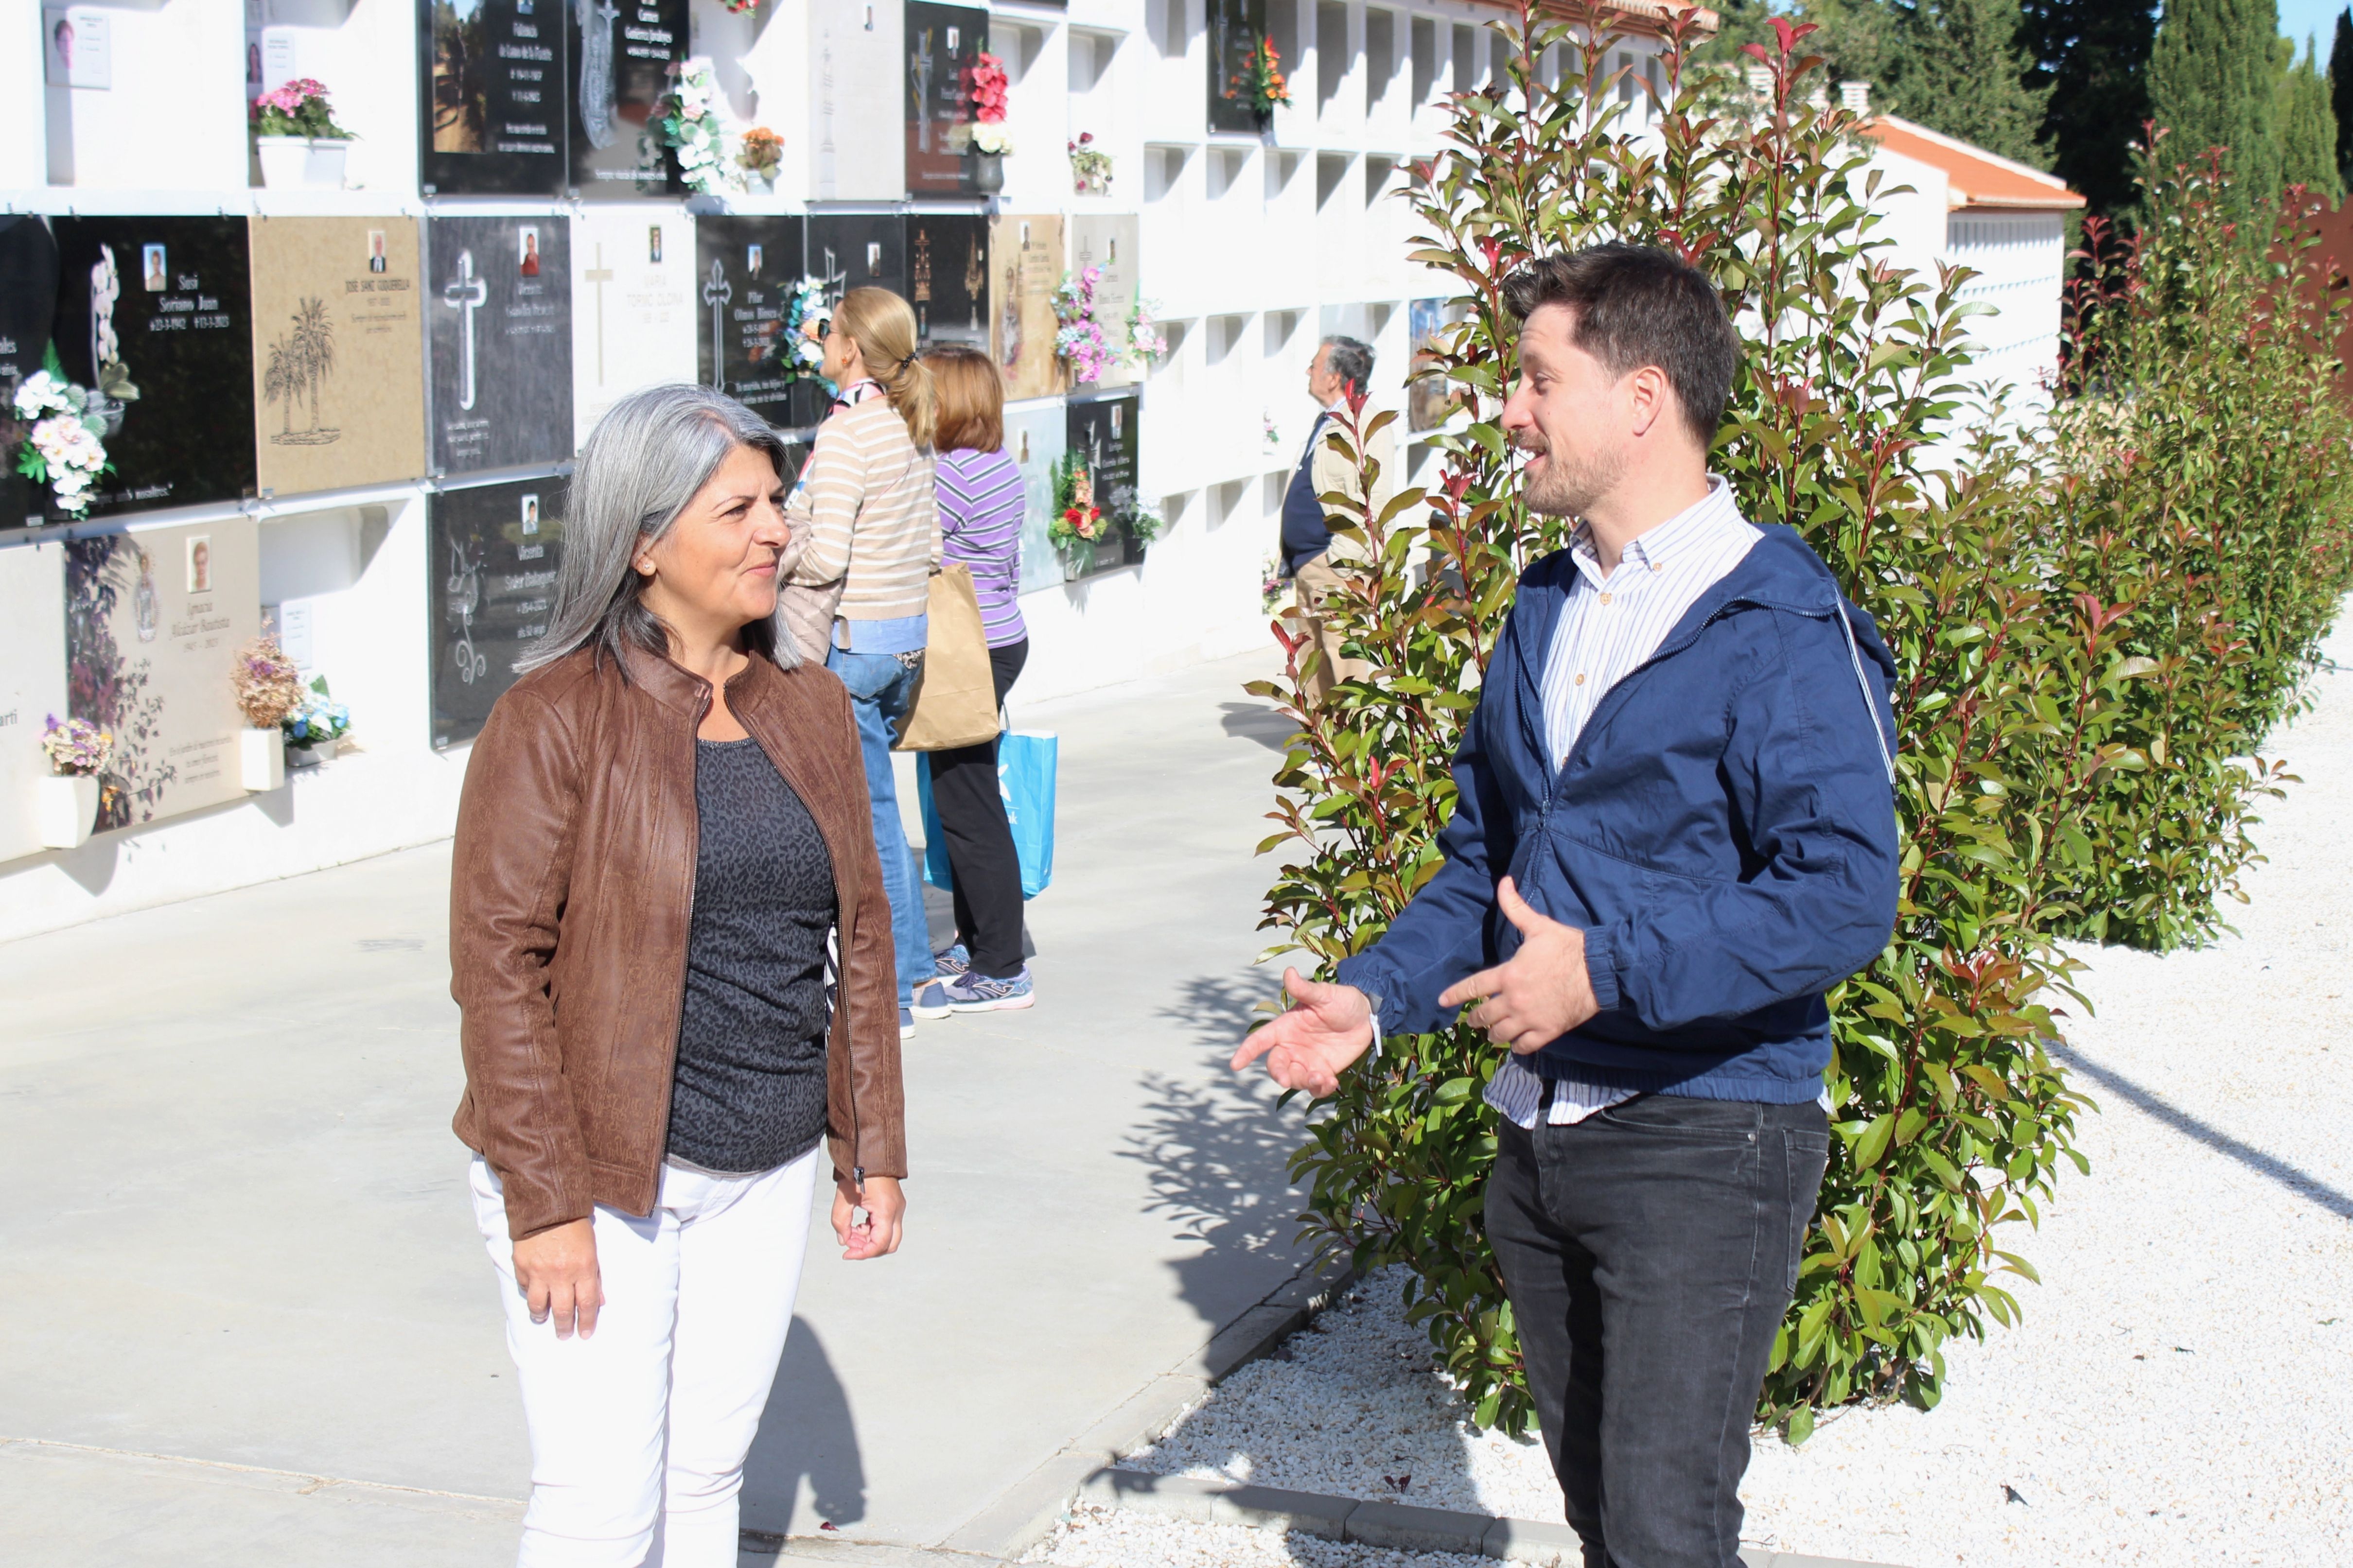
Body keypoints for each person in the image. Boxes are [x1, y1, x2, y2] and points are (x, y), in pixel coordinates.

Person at [1232, 244, 1900, 1568]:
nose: (1510, 409)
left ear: (1642, 398)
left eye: (1539, 379)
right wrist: (1373, 994)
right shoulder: (1544, 608)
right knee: (1611, 1523)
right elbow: (1489, 871)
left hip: (1707, 1140)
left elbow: (1843, 894)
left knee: (1664, 1533)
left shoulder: (1781, 620)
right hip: (1542, 1144)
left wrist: (1604, 974)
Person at [450, 383, 907, 1568]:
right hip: (602, 1175)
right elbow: (499, 967)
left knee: (707, 1477)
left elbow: (859, 934)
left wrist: (872, 1150)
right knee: (603, 1501)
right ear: (644, 542)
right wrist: (543, 1199)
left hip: (766, 1169)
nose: (775, 529)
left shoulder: (804, 698)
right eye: (737, 509)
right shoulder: (553, 717)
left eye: (776, 500)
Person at [782, 287, 943, 1037]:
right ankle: (917, 979)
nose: (821, 343)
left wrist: (786, 540)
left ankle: (902, 990)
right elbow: (934, 546)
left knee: (870, 828)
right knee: (882, 817)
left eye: (830, 334)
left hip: (856, 648)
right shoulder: (911, 426)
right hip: (908, 642)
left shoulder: (850, 435)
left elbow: (827, 559)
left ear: (849, 350)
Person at [913, 344, 1032, 1017]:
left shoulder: (951, 475)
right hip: (999, 636)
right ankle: (975, 939)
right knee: (961, 798)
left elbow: (917, 543)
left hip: (968, 648)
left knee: (968, 807)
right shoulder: (998, 465)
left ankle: (1002, 967)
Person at [1279, 334, 1397, 704]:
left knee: (1345, 660)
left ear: (1333, 377)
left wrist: (1343, 560)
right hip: (1307, 563)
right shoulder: (1328, 419)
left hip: (1333, 564)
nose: (1308, 372)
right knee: (1310, 661)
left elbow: (1374, 500)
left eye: (1315, 365)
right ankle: (1329, 748)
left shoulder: (1365, 423)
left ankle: (1356, 748)